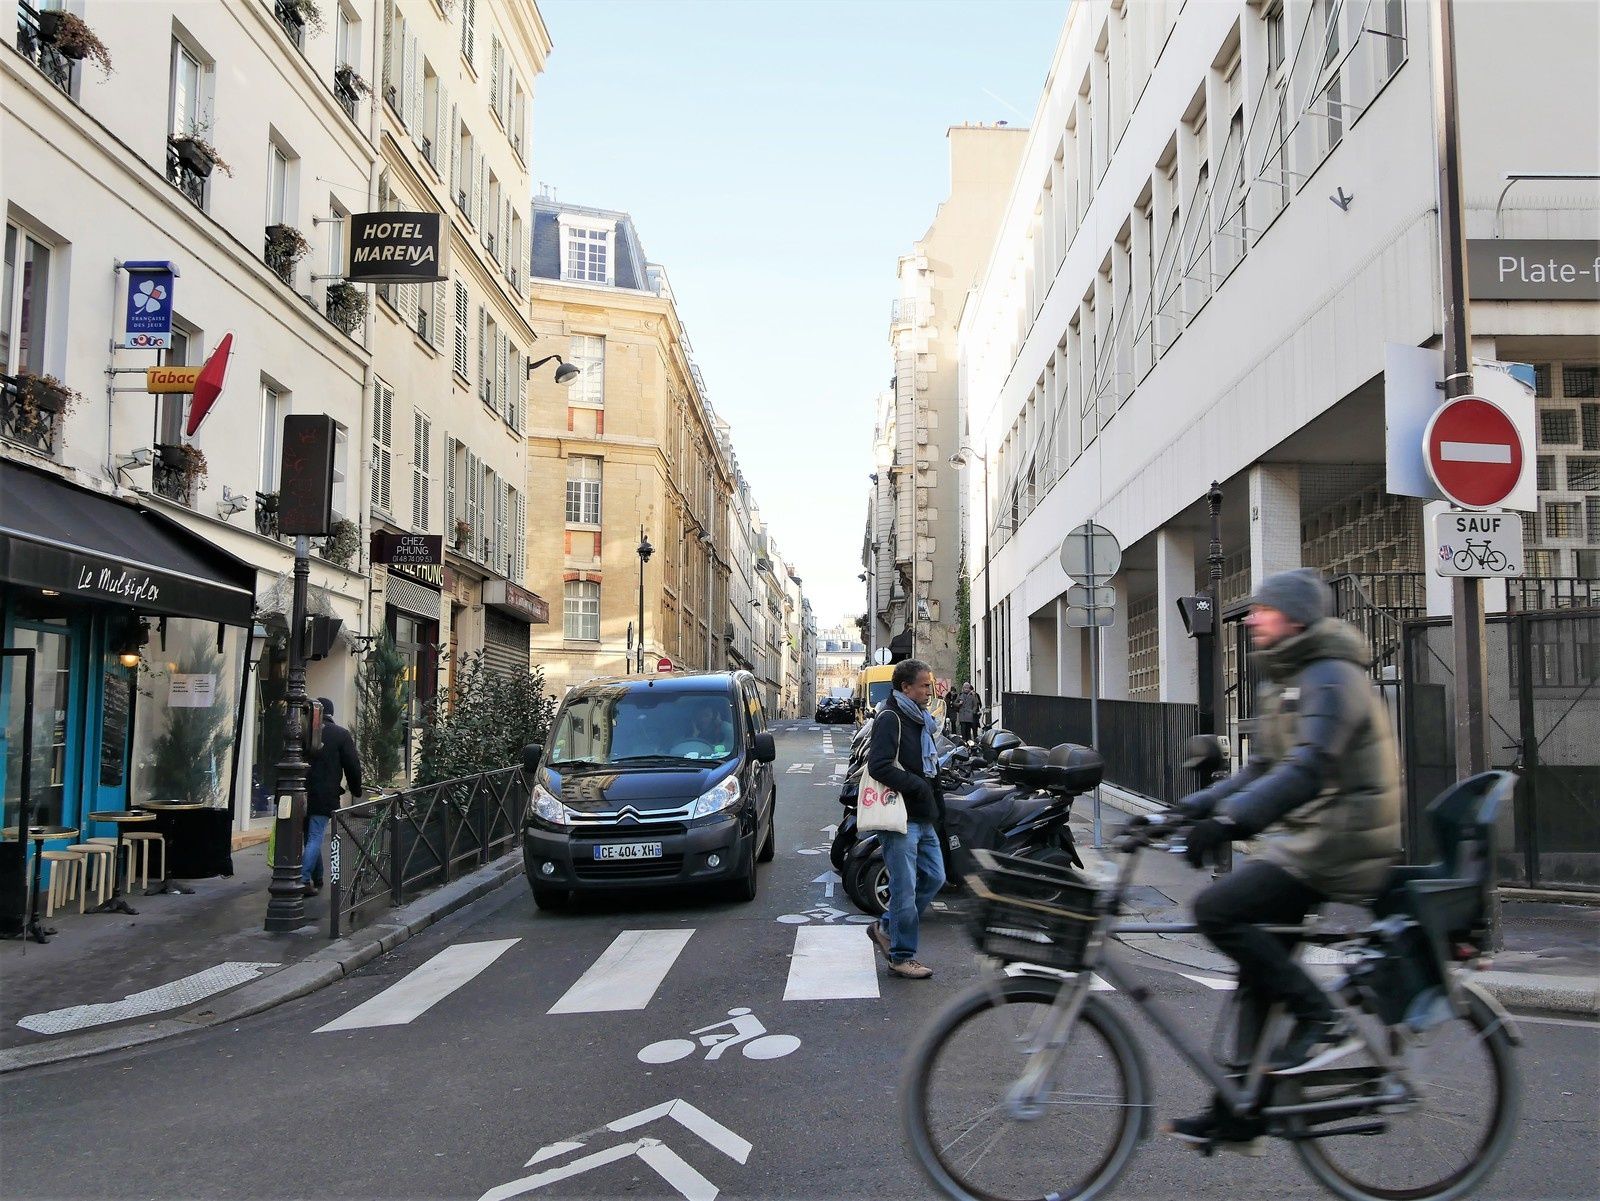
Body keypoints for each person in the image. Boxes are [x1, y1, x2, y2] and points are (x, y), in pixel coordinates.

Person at [1162, 569, 1401, 1151]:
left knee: (1218, 911)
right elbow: (1263, 768)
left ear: (1294, 617)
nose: (1250, 619)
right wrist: (1186, 811)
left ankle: (1322, 1019)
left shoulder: (1331, 677)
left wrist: (1230, 822)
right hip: (1310, 837)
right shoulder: (1290, 679)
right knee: (1258, 973)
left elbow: (1309, 768)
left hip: (1341, 840)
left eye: (1263, 610)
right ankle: (1238, 1112)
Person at [864, 658, 947, 980]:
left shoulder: (921, 719)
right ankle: (901, 956)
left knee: (935, 878)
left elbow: (930, 765)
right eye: (924, 685)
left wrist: (934, 802)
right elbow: (879, 765)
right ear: (906, 688)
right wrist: (918, 786)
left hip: (922, 816)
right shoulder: (890, 718)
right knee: (904, 890)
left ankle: (886, 928)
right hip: (900, 817)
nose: (930, 690)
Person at [302, 697, 361, 897]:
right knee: (315, 836)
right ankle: (302, 879)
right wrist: (356, 789)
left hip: (298, 793)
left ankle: (317, 877)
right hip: (324, 794)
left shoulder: (302, 732)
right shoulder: (341, 735)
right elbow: (352, 766)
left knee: (309, 837)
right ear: (331, 713)